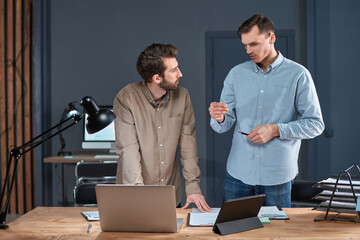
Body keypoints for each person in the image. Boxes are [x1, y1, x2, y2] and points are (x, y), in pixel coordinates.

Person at [208, 14, 324, 207]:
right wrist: (219, 118)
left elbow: (315, 124)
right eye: (245, 45)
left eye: (253, 44)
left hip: (277, 177)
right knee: (232, 234)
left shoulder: (298, 75)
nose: (248, 51)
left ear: (271, 38)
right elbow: (223, 125)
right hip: (238, 174)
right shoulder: (236, 74)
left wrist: (276, 130)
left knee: (276, 236)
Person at [114, 43, 211, 212]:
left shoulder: (183, 96)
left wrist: (193, 188)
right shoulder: (126, 98)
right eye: (173, 70)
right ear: (157, 78)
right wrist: (138, 194)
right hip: (135, 195)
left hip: (171, 196)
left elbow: (188, 145)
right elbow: (128, 150)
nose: (180, 74)